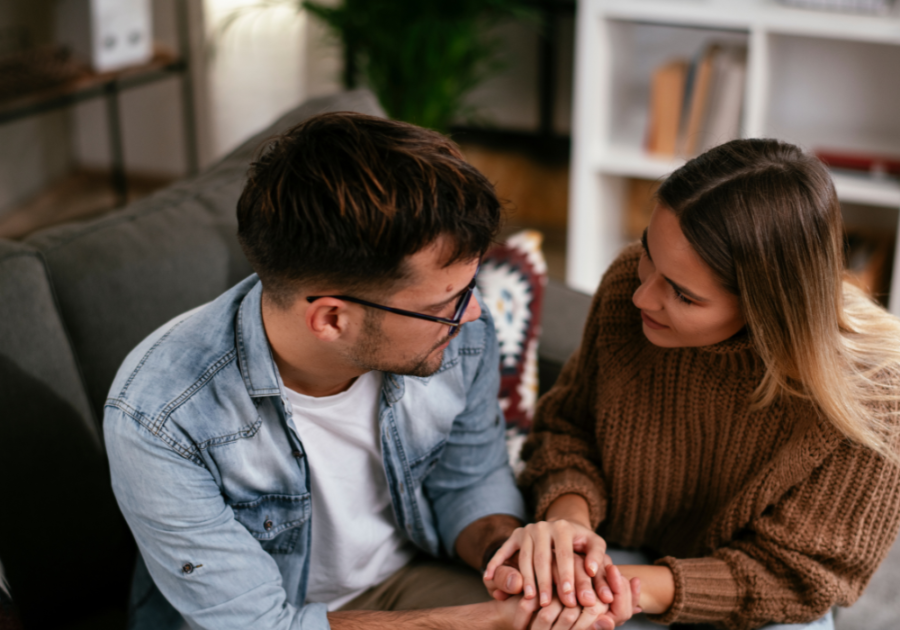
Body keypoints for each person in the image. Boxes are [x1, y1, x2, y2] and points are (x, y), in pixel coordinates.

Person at [104, 112, 618, 630]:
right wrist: (491, 620)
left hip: (410, 579)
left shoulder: (458, 333)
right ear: (332, 319)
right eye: (446, 302)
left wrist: (512, 556)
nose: (474, 314)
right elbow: (259, 625)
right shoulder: (160, 418)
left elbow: (469, 480)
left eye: (468, 289)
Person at [484, 138, 900, 629]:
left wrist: (622, 588)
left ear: (765, 308)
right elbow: (568, 431)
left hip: (750, 602)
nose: (642, 296)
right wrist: (568, 527)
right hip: (607, 555)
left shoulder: (876, 393)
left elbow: (798, 575)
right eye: (646, 251)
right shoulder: (626, 289)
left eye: (682, 294)